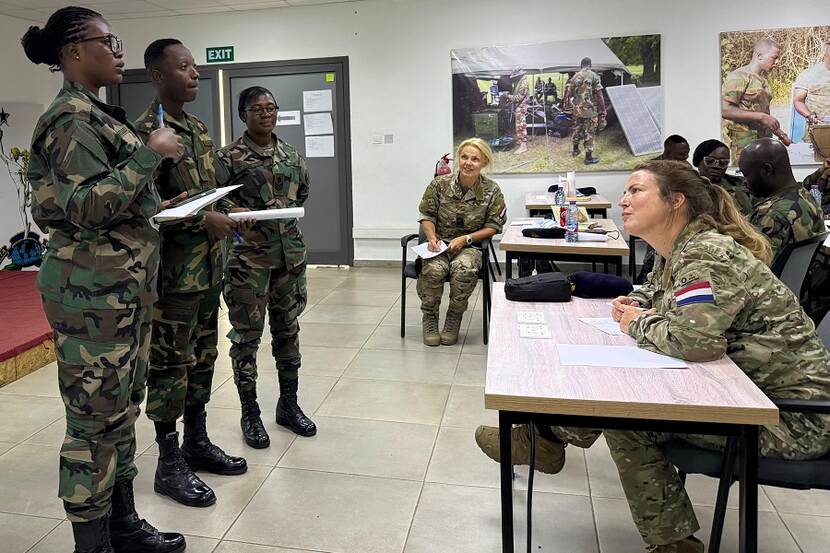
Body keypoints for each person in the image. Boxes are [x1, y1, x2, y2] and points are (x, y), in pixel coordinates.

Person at [477, 160, 830, 553]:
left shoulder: (707, 254)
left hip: (789, 419)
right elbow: (665, 293)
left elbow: (695, 341)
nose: (623, 200)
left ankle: (546, 441)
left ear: (675, 201)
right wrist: (639, 300)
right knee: (618, 394)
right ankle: (544, 440)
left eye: (635, 191)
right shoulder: (682, 248)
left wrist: (634, 323)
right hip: (748, 392)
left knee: (623, 411)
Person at [22, 7, 185, 553]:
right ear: (73, 52)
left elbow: (110, 202)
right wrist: (150, 153)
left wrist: (161, 204)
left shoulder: (97, 114)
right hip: (90, 296)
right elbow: (88, 208)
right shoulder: (71, 119)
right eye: (107, 40)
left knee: (121, 410)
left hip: (122, 293)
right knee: (93, 424)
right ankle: (92, 544)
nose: (118, 49)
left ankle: (122, 524)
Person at [134, 38, 247, 509]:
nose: (195, 74)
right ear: (159, 76)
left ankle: (195, 442)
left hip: (208, 271)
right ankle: (167, 462)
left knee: (203, 357)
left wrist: (227, 209)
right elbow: (145, 208)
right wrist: (204, 219)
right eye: (183, 68)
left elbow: (204, 190)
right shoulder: (144, 134)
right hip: (172, 277)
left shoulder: (198, 129)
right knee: (169, 367)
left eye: (195, 66)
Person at [214, 86, 316, 445]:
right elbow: (210, 202)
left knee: (288, 332)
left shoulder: (290, 154)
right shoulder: (227, 158)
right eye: (258, 108)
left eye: (271, 108)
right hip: (248, 262)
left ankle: (289, 405)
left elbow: (302, 192)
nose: (266, 113)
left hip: (289, 259)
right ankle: (250, 413)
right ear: (243, 114)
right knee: (246, 338)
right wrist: (230, 211)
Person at [417, 137, 506, 346]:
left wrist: (466, 238)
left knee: (463, 269)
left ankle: (453, 318)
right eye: (464, 157)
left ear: (484, 163)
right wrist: (431, 238)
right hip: (439, 244)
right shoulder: (440, 184)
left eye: (475, 159)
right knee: (433, 270)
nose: (468, 162)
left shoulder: (492, 190)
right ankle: (429, 317)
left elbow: (494, 226)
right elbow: (426, 215)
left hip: (470, 246)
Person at [740, 138, 824, 263]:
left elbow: (752, 268)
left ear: (767, 170)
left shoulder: (772, 214)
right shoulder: (805, 196)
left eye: (746, 174)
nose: (745, 182)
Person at [721, 38, 791, 162]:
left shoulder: (763, 81)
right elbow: (725, 110)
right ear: (759, 56)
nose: (777, 61)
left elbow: (765, 115)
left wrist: (781, 134)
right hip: (744, 143)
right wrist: (760, 117)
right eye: (774, 57)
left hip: (763, 141)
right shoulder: (739, 76)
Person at [692, 138, 754, 215]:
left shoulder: (741, 183)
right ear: (698, 161)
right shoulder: (688, 188)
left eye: (723, 163)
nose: (716, 166)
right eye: (710, 161)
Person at [563, 57, 606, 165]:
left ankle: (575, 150)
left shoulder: (574, 77)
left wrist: (569, 104)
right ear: (590, 65)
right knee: (590, 132)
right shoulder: (594, 76)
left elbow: (569, 94)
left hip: (577, 110)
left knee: (578, 128)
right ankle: (588, 158)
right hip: (589, 111)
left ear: (581, 66)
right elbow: (599, 95)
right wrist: (603, 109)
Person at [793, 41, 830, 150]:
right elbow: (798, 101)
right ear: (825, 56)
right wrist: (810, 116)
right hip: (817, 128)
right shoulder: (809, 74)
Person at [504, 69, 529, 155]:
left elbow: (519, 97)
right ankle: (521, 141)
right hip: (519, 106)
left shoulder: (523, 83)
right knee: (519, 125)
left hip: (521, 107)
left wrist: (509, 96)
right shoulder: (520, 82)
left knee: (521, 126)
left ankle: (523, 145)